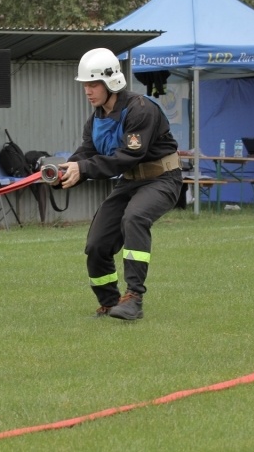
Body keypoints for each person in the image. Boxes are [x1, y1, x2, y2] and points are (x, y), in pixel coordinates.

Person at [57, 48, 182, 320]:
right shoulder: (96, 119)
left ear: (111, 81)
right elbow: (87, 152)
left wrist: (84, 168)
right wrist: (64, 171)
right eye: (85, 85)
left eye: (93, 84)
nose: (88, 91)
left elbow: (129, 155)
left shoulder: (140, 109)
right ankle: (110, 302)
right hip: (130, 181)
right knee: (97, 244)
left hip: (162, 178)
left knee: (134, 218)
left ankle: (133, 298)